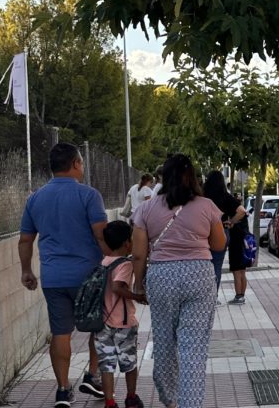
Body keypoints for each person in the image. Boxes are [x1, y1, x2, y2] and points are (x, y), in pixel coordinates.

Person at [18, 142, 110, 408]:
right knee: (98, 327)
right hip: (89, 275)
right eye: (81, 162)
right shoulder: (89, 195)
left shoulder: (35, 198)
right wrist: (115, 263)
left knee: (60, 333)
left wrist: (26, 270)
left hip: (53, 277)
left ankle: (62, 390)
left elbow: (25, 240)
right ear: (76, 164)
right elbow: (100, 234)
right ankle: (92, 375)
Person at [131, 154, 226, 408]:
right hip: (199, 276)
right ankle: (190, 404)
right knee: (193, 348)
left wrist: (138, 285)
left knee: (164, 341)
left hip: (162, 276)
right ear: (192, 177)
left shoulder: (146, 209)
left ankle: (169, 399)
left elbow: (139, 253)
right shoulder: (207, 206)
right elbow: (218, 244)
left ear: (163, 177)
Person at [96, 221, 145, 408]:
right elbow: (117, 287)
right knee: (130, 363)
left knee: (106, 365)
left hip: (102, 323)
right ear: (127, 243)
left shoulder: (103, 262)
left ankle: (109, 402)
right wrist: (137, 297)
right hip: (123, 323)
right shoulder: (125, 264)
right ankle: (131, 397)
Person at [204, 171, 250, 303]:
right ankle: (214, 297)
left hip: (203, 233)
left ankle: (205, 296)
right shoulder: (225, 196)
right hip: (221, 232)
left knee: (204, 265)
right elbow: (242, 211)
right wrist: (231, 222)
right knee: (217, 265)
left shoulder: (202, 196)